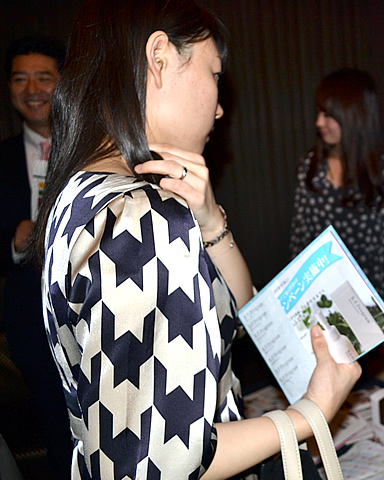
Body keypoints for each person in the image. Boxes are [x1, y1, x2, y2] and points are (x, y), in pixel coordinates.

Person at [29, 1, 361, 478]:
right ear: (160, 58)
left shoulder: (82, 193)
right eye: (214, 74)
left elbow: (240, 314)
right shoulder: (141, 218)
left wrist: (209, 221)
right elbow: (160, 463)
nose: (220, 106)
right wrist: (311, 410)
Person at [0, 35, 72, 479]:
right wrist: (13, 242)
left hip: (99, 311)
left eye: (44, 77)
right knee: (58, 433)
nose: (32, 90)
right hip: (31, 321)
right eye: (19, 79)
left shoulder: (93, 147)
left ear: (63, 83)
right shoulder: (2, 159)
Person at [289, 68, 384, 325]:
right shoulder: (310, 168)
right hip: (322, 301)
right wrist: (295, 305)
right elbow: (300, 242)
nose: (319, 123)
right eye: (318, 113)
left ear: (353, 116)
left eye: (328, 115)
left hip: (370, 301)